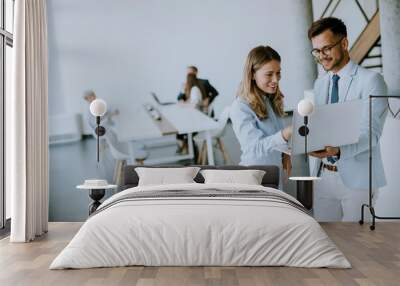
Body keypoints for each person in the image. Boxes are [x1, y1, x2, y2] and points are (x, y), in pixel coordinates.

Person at [307, 17, 388, 221]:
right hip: (323, 177)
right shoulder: (319, 84)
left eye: (326, 48)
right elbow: (321, 126)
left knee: (357, 246)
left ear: (344, 43)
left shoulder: (371, 81)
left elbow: (371, 135)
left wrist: (339, 150)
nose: (321, 56)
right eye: (316, 51)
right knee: (327, 243)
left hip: (357, 181)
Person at [230, 45, 293, 183]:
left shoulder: (271, 99)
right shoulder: (240, 107)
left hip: (273, 174)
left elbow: (273, 138)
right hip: (254, 178)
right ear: (252, 74)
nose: (276, 80)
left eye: (278, 73)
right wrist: (285, 134)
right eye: (269, 74)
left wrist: (285, 152)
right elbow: (254, 148)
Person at [176, 74, 207, 154]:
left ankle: (185, 148)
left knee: (180, 128)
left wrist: (183, 104)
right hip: (194, 117)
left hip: (197, 119)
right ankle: (185, 147)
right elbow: (190, 102)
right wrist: (184, 101)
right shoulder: (193, 89)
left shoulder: (194, 89)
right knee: (180, 126)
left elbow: (194, 105)